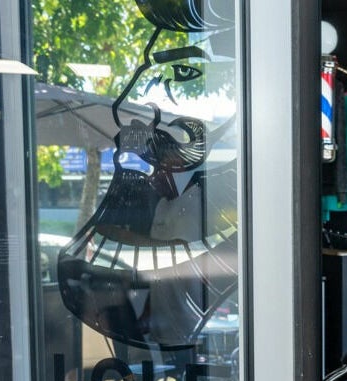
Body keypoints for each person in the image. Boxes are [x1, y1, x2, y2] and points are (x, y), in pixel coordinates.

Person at [58, 0, 239, 350]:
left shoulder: (230, 196)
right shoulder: (154, 191)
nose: (127, 100)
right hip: (157, 337)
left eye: (182, 73)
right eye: (146, 72)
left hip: (207, 343)